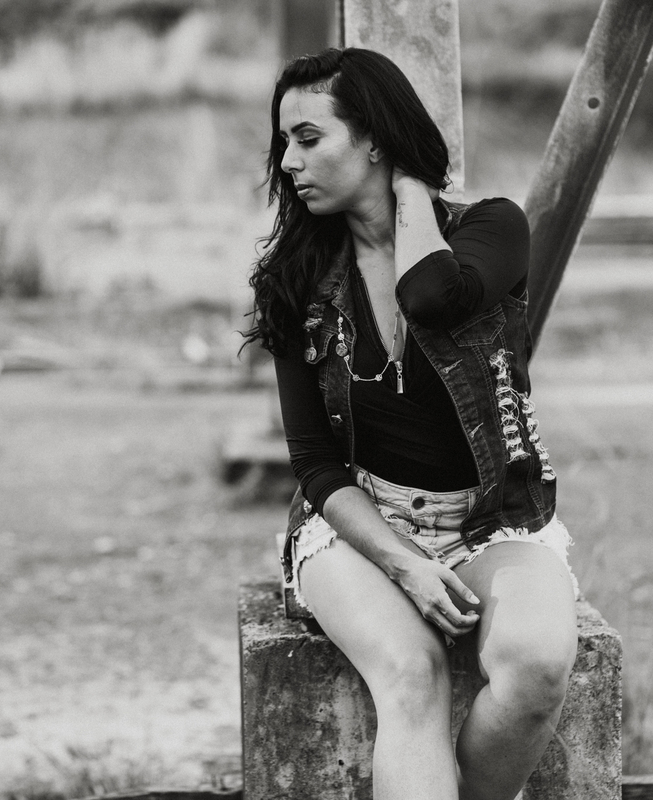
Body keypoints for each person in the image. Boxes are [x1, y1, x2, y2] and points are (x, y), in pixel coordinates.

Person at [244, 47, 580, 800]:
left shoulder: (492, 230)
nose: (289, 162)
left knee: (537, 667)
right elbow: (315, 462)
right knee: (412, 673)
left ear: (374, 139)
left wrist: (409, 190)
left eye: (309, 138)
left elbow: (431, 295)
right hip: (363, 524)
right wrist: (403, 563)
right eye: (285, 143)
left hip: (490, 518)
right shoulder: (295, 282)